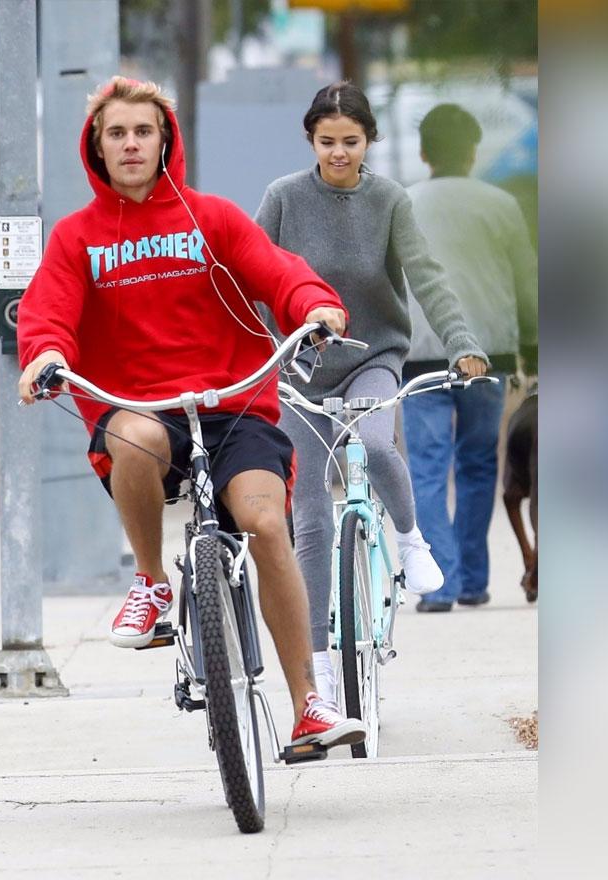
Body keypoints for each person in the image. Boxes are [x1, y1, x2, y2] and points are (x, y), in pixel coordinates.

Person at [16, 76, 363, 750]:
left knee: (266, 522)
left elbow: (277, 272)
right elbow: (49, 313)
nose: (131, 143)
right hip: (141, 409)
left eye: (143, 131)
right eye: (116, 133)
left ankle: (308, 706)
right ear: (97, 146)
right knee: (136, 436)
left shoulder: (214, 218)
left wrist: (315, 307)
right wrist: (42, 355)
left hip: (234, 405)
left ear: (165, 139)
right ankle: (149, 587)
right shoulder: (76, 238)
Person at [255, 82, 487, 699]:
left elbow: (426, 276)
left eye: (350, 142)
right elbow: (248, 277)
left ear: (370, 142)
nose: (338, 153)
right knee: (306, 518)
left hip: (372, 356)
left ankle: (410, 540)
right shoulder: (282, 198)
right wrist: (242, 352)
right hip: (299, 368)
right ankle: (321, 672)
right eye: (327, 142)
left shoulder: (389, 200)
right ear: (311, 140)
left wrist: (462, 341)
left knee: (378, 445)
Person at [401, 104, 538, 612]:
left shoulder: (405, 202)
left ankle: (440, 584)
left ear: (423, 152)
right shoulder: (501, 205)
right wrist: (530, 348)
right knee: (479, 463)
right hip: (490, 352)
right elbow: (526, 285)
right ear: (474, 152)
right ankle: (475, 579)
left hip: (421, 356)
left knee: (428, 468)